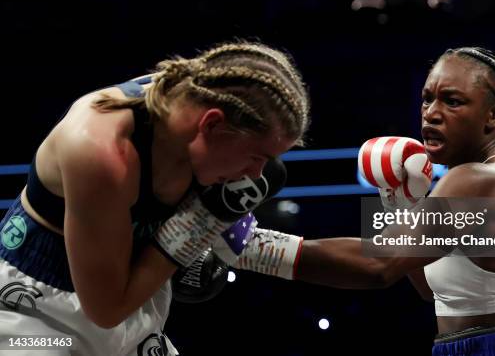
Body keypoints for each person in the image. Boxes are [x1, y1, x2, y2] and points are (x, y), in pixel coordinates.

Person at [222, 47, 495, 355]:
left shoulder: (482, 179)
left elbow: (380, 266)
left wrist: (250, 247)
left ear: (494, 116)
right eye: (427, 98)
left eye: (452, 101)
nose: (431, 113)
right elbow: (426, 287)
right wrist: (400, 205)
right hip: (469, 344)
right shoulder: (475, 178)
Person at [0, 40, 310, 355]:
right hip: (34, 312)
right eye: (257, 156)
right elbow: (106, 310)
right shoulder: (100, 151)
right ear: (212, 124)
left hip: (132, 305)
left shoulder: (195, 136)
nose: (256, 174)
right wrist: (190, 232)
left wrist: (367, 210)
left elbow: (314, 259)